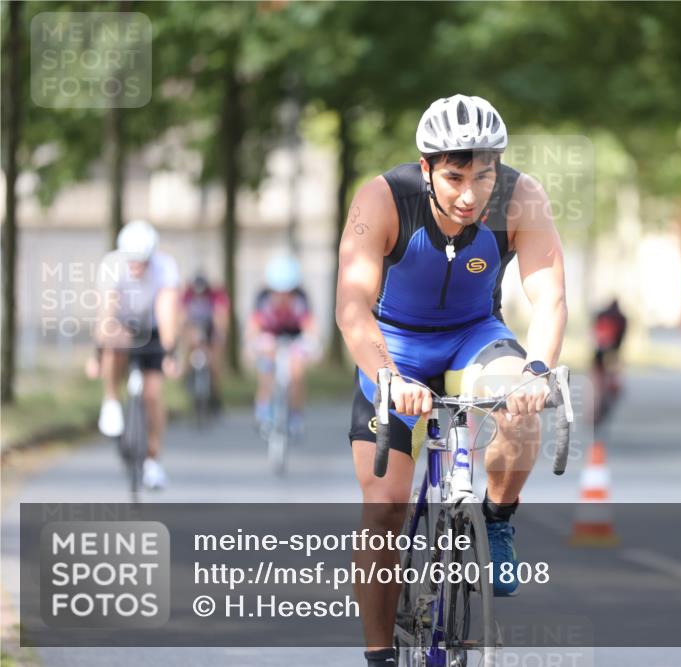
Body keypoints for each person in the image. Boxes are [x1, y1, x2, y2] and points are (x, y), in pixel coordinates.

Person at [335, 94, 566, 666]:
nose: (469, 195)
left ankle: (497, 518)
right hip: (396, 347)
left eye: (482, 176)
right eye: (455, 177)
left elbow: (550, 297)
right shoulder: (382, 199)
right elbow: (352, 305)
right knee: (384, 507)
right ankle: (379, 654)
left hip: (474, 336)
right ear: (427, 169)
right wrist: (389, 378)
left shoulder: (521, 197)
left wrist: (537, 370)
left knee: (519, 402)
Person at [95, 220, 180, 490]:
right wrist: (99, 353)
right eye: (130, 260)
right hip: (121, 325)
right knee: (114, 342)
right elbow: (106, 313)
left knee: (152, 395)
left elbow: (167, 313)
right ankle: (111, 400)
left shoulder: (165, 268)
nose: (135, 266)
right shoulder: (111, 266)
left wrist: (170, 352)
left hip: (151, 330)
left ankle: (153, 461)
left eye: (140, 261)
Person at [245, 254, 320, 436]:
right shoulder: (263, 298)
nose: (282, 296)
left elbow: (310, 327)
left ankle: (295, 414)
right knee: (266, 370)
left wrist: (313, 344)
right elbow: (253, 327)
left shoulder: (300, 298)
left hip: (294, 336)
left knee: (297, 371)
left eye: (287, 291)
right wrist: (251, 345)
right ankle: (263, 409)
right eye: (277, 291)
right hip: (270, 335)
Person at [181, 272, 230, 412]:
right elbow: (181, 316)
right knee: (189, 349)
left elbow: (221, 317)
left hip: (210, 330)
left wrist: (219, 334)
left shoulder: (215, 296)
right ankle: (187, 377)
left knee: (214, 362)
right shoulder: (187, 296)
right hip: (194, 329)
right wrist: (185, 333)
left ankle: (215, 392)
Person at [591, 298, 628, 427]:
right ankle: (610, 394)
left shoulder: (601, 316)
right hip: (613, 353)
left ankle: (597, 406)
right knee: (613, 377)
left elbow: (594, 334)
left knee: (598, 383)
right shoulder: (622, 318)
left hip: (600, 353)